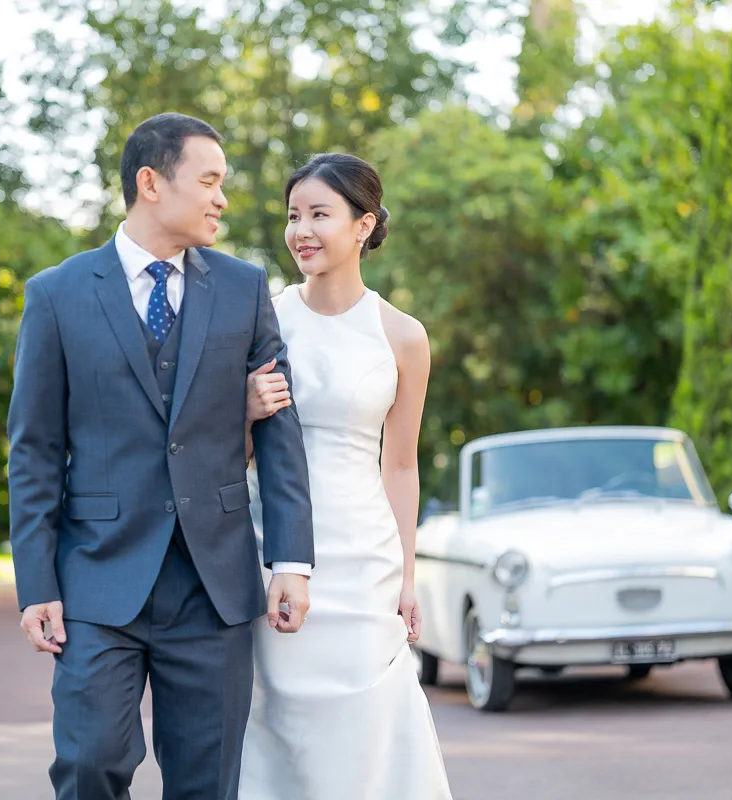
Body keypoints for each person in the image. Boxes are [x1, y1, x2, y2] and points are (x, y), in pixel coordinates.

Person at [6, 112, 315, 800]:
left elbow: (278, 431)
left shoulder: (242, 287)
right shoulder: (56, 296)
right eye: (208, 181)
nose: (221, 199)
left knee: (206, 783)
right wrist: (36, 584)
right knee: (89, 762)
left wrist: (290, 559)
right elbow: (33, 450)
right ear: (151, 182)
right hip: (95, 577)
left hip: (214, 584)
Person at [239, 153, 453, 799]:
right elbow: (224, 453)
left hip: (364, 559)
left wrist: (407, 575)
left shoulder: (402, 336)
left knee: (363, 724)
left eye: (318, 215)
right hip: (268, 547)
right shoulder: (260, 321)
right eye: (293, 215)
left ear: (363, 225)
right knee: (274, 719)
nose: (301, 230)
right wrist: (244, 413)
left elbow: (400, 462)